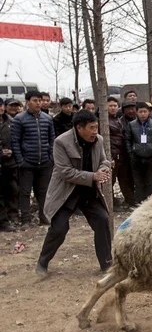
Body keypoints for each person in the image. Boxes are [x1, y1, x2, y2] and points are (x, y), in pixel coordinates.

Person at [35, 110, 112, 275]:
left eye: (96, 127)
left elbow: (104, 160)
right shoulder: (61, 142)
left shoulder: (98, 140)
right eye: (91, 128)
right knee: (59, 229)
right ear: (79, 128)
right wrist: (93, 176)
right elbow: (65, 172)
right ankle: (43, 261)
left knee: (102, 220)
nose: (95, 131)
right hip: (66, 192)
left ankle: (107, 263)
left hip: (89, 191)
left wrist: (104, 170)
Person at [10, 91, 55, 227]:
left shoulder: (47, 119)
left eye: (40, 101)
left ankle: (44, 217)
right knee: (24, 192)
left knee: (43, 192)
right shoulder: (19, 119)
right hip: (27, 163)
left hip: (45, 162)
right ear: (27, 101)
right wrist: (20, 160)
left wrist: (51, 158)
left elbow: (52, 139)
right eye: (35, 100)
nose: (38, 103)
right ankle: (25, 219)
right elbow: (15, 142)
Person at [125, 102, 152, 204]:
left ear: (149, 112)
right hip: (136, 157)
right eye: (140, 112)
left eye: (145, 111)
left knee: (151, 182)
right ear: (136, 113)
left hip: (151, 157)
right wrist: (131, 154)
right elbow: (128, 140)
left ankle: (150, 203)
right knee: (138, 183)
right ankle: (139, 203)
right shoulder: (131, 125)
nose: (143, 114)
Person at [0, 98, 18, 231]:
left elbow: (16, 140)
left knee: (12, 190)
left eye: (1, 105)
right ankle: (3, 221)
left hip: (10, 163)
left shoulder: (11, 122)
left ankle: (12, 216)